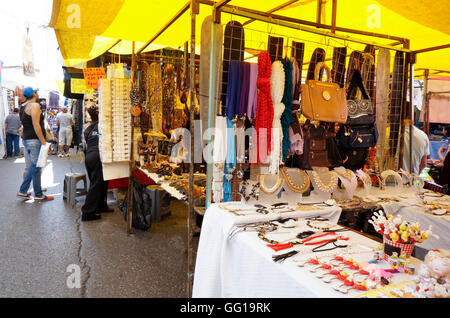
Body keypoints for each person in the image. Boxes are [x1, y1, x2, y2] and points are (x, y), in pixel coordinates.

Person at [17, 87, 54, 201]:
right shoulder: (35, 106)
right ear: (34, 94)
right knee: (35, 166)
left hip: (27, 140)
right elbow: (36, 125)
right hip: (34, 140)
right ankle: (31, 192)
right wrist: (43, 142)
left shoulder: (22, 107)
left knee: (34, 166)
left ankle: (32, 192)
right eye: (36, 92)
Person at [81, 106, 113, 221]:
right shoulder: (100, 127)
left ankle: (101, 205)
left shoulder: (89, 128)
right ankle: (87, 212)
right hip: (97, 156)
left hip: (89, 156)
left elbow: (92, 138)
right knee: (96, 184)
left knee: (103, 182)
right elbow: (101, 137)